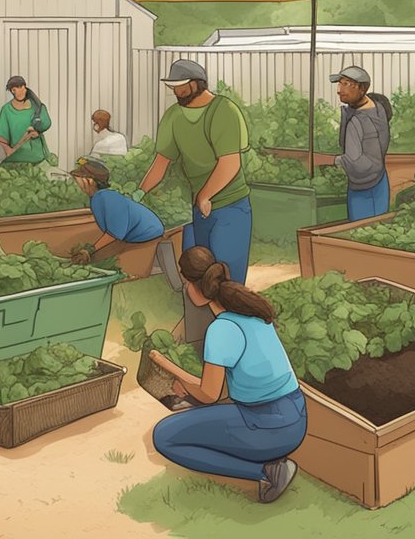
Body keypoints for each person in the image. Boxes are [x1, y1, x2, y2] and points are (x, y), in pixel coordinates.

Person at [150, 246, 307, 505]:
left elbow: (211, 395)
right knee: (198, 421)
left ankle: (266, 472)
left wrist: (177, 376)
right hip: (295, 416)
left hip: (266, 425)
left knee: (165, 436)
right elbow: (223, 388)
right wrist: (189, 386)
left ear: (196, 288)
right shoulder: (251, 313)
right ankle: (269, 463)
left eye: (186, 282)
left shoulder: (222, 329)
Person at [137, 59, 252, 281]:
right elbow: (162, 162)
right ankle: (199, 316)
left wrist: (206, 195)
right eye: (173, 86)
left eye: (181, 85)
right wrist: (139, 193)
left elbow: (230, 162)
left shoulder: (223, 110)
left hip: (231, 206)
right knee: (194, 276)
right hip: (198, 209)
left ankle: (232, 315)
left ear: (197, 83)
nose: (176, 91)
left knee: (227, 277)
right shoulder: (173, 116)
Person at [68, 157, 164, 264]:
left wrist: (90, 250)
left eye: (78, 179)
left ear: (89, 181)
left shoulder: (107, 199)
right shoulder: (98, 197)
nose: (77, 182)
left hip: (147, 234)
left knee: (102, 259)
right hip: (135, 234)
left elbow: (115, 233)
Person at [330, 66, 393, 220]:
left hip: (362, 188)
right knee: (378, 230)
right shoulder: (378, 107)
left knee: (359, 232)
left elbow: (355, 162)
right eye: (340, 84)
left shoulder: (357, 122)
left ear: (363, 89)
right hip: (380, 180)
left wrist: (334, 161)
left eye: (347, 84)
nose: (339, 90)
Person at [0, 75, 52, 167]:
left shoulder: (37, 107)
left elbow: (47, 123)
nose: (19, 91)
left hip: (38, 159)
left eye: (21, 87)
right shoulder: (6, 110)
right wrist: (9, 150)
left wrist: (37, 131)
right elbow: (1, 138)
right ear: (11, 91)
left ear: (25, 87)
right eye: (14, 89)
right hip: (17, 160)